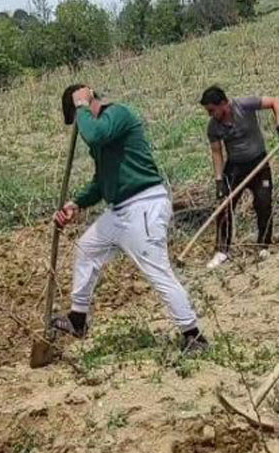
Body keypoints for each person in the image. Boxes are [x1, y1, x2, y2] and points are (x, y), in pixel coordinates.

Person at [52, 84, 209, 354]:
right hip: (119, 210)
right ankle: (78, 319)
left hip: (144, 205)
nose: (80, 127)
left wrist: (81, 106)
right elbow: (102, 181)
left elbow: (96, 134)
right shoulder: (101, 134)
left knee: (156, 270)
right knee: (87, 249)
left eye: (79, 119)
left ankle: (193, 335)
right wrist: (76, 204)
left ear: (88, 101)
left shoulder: (117, 116)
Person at [200, 85, 279, 269]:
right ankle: (222, 250)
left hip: (258, 162)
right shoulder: (213, 127)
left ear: (223, 104)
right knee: (224, 207)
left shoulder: (244, 105)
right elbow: (217, 152)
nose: (211, 115)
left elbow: (276, 101)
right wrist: (219, 180)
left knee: (263, 202)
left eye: (212, 110)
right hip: (235, 167)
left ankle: (263, 245)